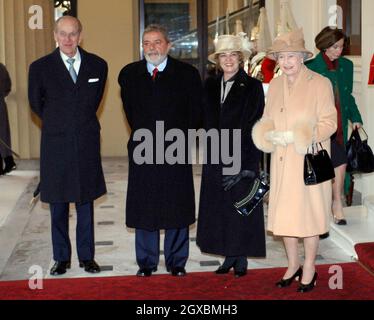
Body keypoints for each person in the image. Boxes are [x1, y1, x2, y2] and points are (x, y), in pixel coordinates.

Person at [252, 29, 337, 292]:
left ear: (302, 57)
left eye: (291, 56)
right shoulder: (275, 84)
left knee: (309, 216)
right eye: (281, 57)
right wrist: (268, 133)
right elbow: (267, 118)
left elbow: (330, 123)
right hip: (281, 161)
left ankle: (309, 267)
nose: (286, 61)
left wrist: (301, 135)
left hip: (308, 160)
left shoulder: (320, 83)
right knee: (286, 217)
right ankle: (292, 264)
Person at [118, 24, 202, 277]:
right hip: (143, 148)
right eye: (146, 43)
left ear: (168, 45)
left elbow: (195, 112)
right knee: (145, 205)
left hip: (175, 148)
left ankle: (177, 262)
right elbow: (130, 111)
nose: (151, 48)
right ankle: (146, 262)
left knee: (176, 204)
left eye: (157, 42)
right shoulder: (130, 74)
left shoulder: (187, 74)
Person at [28, 16, 108, 276]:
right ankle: (61, 258)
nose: (68, 39)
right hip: (55, 143)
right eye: (63, 34)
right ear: (54, 35)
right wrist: (58, 123)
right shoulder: (39, 67)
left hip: (86, 141)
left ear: (81, 35)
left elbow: (92, 103)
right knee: (58, 204)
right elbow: (36, 104)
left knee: (85, 202)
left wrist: (76, 123)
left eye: (73, 34)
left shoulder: (98, 65)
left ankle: (87, 257)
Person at [196, 35, 266, 277]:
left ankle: (241, 255)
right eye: (223, 56)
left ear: (240, 58)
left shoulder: (253, 87)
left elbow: (256, 125)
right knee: (220, 208)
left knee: (240, 206)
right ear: (218, 60)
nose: (228, 60)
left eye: (232, 55)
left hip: (243, 155)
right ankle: (228, 254)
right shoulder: (210, 85)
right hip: (215, 155)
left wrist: (247, 165)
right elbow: (203, 118)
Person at [306, 26, 363, 225]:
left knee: (340, 162)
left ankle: (337, 202)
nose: (340, 50)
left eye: (341, 46)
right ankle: (319, 210)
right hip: (319, 125)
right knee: (322, 166)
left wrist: (356, 117)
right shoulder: (311, 67)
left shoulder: (346, 65)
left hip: (339, 125)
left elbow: (348, 96)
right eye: (336, 46)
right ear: (325, 46)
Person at [0, 63, 16, 175]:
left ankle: (8, 162)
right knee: (3, 133)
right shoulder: (1, 67)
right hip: (0, 102)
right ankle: (9, 161)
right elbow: (7, 86)